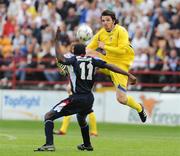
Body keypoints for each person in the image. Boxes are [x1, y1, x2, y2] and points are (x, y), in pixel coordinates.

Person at [34, 27, 137, 152]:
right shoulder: (93, 60)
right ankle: (87, 144)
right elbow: (111, 66)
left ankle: (49, 144)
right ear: (84, 52)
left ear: (75, 53)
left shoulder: (73, 60)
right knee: (81, 118)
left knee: (48, 116)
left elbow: (61, 59)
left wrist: (56, 41)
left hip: (77, 97)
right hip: (89, 98)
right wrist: (128, 74)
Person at [86, 10, 147, 122]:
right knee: (88, 55)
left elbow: (122, 50)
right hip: (108, 62)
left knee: (121, 99)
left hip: (121, 65)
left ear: (114, 21)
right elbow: (88, 49)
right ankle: (84, 87)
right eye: (103, 20)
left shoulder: (121, 31)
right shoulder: (101, 33)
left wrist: (105, 47)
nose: (105, 23)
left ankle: (139, 108)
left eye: (108, 20)